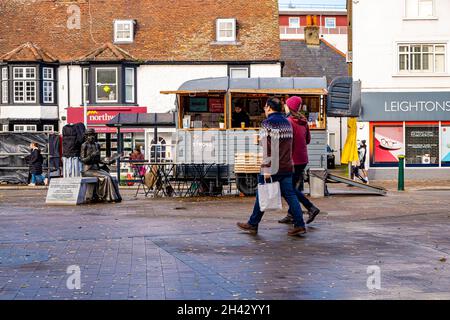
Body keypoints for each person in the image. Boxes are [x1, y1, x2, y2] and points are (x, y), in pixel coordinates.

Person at [237, 97, 307, 236]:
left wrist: (267, 167)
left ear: (269, 107)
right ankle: (300, 224)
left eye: (265, 107)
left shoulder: (267, 123)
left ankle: (253, 223)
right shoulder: (287, 123)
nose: (264, 109)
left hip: (272, 166)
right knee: (290, 195)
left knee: (261, 193)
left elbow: (267, 148)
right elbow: (286, 145)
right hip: (287, 165)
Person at [279, 96, 320, 225]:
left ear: (289, 107)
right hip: (303, 159)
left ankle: (311, 207)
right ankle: (291, 215)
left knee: (288, 189)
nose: (284, 106)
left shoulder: (288, 122)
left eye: (286, 105)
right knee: (292, 187)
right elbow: (308, 140)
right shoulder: (303, 121)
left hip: (292, 160)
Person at [80, 129, 122, 203]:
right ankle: (106, 197)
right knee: (106, 177)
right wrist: (91, 155)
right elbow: (83, 160)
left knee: (110, 177)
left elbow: (98, 160)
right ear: (86, 136)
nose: (91, 137)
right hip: (87, 170)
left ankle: (115, 197)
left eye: (93, 135)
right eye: (89, 135)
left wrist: (108, 162)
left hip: (96, 169)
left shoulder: (97, 145)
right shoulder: (84, 145)